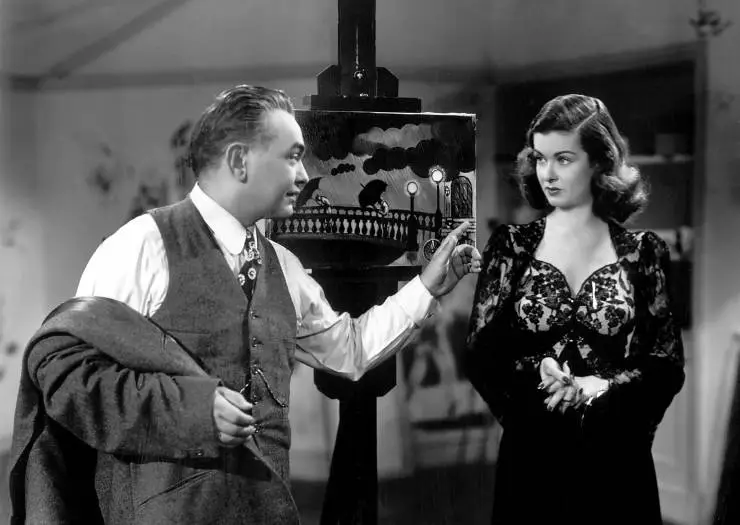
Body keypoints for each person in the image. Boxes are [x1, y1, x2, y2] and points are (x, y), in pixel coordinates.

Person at [8, 85, 481, 525]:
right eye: (292, 157)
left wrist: (427, 287)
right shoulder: (142, 246)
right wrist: (191, 412)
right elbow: (65, 374)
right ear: (239, 161)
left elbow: (349, 350)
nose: (304, 174)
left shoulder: (284, 266)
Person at [465, 94, 685, 525]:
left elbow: (665, 363)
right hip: (532, 459)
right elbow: (481, 353)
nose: (547, 173)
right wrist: (538, 369)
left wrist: (599, 386)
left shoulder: (643, 253)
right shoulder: (511, 246)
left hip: (616, 459)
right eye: (539, 157)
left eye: (563, 159)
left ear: (600, 162)